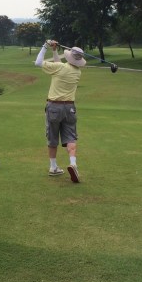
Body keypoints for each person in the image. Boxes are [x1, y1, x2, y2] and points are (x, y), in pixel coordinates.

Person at [34, 40, 86, 183]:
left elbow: (38, 62)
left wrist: (45, 45)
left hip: (54, 107)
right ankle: (73, 164)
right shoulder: (77, 72)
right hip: (70, 108)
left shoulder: (60, 68)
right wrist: (55, 51)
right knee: (71, 138)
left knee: (52, 138)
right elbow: (60, 65)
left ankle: (53, 167)